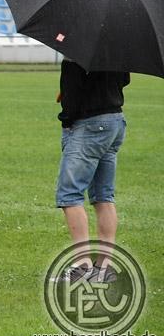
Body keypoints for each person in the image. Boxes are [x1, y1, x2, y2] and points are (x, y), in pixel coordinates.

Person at [55, 58, 129, 282]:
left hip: (89, 124)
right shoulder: (118, 46)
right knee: (103, 196)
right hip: (115, 119)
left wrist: (66, 115)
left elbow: (73, 90)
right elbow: (124, 79)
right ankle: (104, 268)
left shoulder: (76, 49)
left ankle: (82, 267)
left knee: (69, 195)